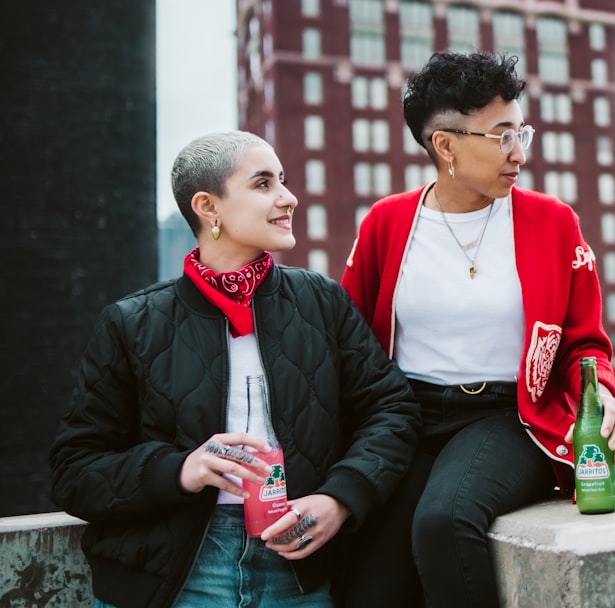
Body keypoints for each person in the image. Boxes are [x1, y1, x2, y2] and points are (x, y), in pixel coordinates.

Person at [49, 132, 421, 608]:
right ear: (209, 207)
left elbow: (393, 411)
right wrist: (183, 469)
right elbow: (75, 471)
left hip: (301, 565)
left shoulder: (321, 301)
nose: (289, 198)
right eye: (264, 184)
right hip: (175, 574)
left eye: (283, 181)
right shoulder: (132, 322)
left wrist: (340, 498)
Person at [339, 51, 615, 607]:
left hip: (508, 416)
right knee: (370, 579)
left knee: (444, 522)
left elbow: (583, 341)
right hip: (404, 418)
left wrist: (605, 396)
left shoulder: (552, 222)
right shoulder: (387, 222)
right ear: (445, 145)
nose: (518, 152)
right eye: (501, 137)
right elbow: (351, 342)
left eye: (522, 131)